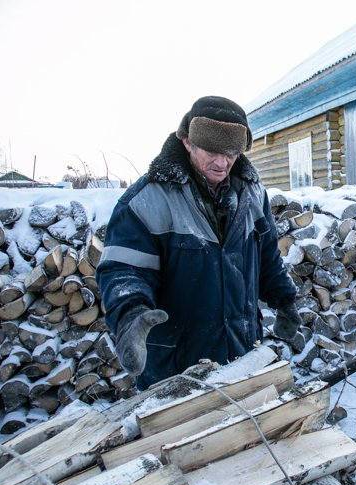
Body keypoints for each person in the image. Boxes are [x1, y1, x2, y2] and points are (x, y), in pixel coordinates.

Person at [96, 96, 302, 390]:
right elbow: (124, 270)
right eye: (212, 151)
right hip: (176, 367)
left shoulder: (253, 194)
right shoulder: (147, 200)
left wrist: (284, 299)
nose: (222, 163)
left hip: (241, 354)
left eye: (231, 152)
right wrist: (131, 316)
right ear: (187, 143)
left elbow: (267, 254)